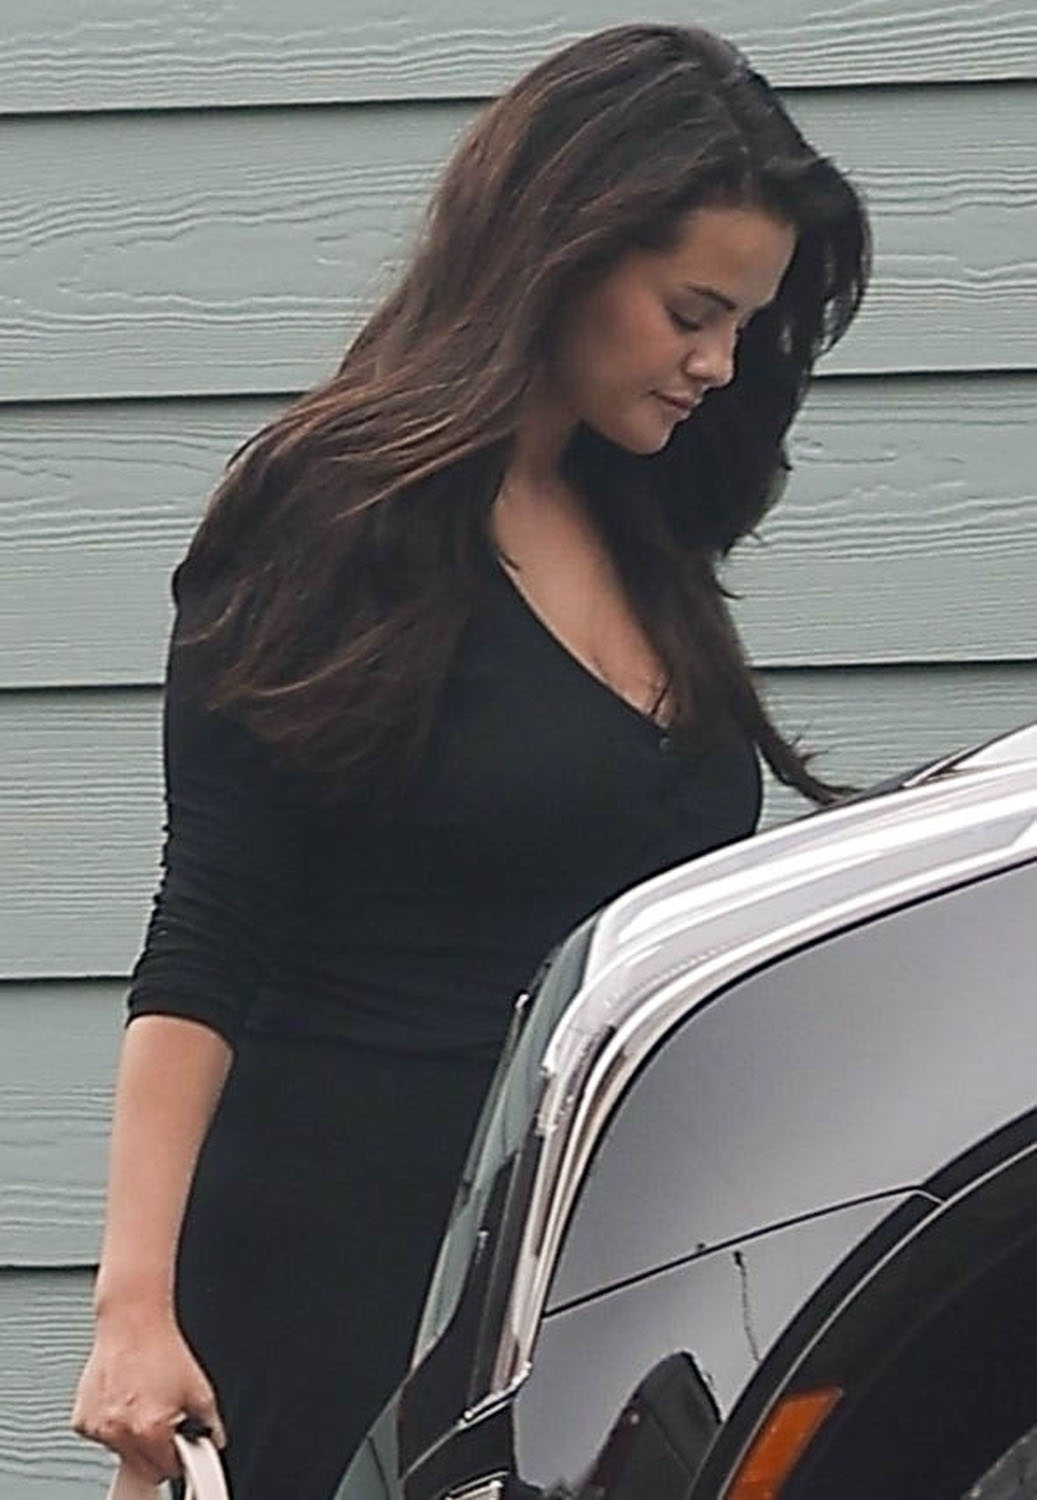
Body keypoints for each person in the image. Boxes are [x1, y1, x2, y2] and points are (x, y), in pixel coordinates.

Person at [72, 22, 869, 1500]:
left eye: (745, 327)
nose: (717, 363)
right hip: (337, 1285)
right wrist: (133, 1316)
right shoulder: (330, 512)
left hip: (585, 1281)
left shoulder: (640, 524)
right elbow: (208, 931)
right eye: (692, 311)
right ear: (561, 249)